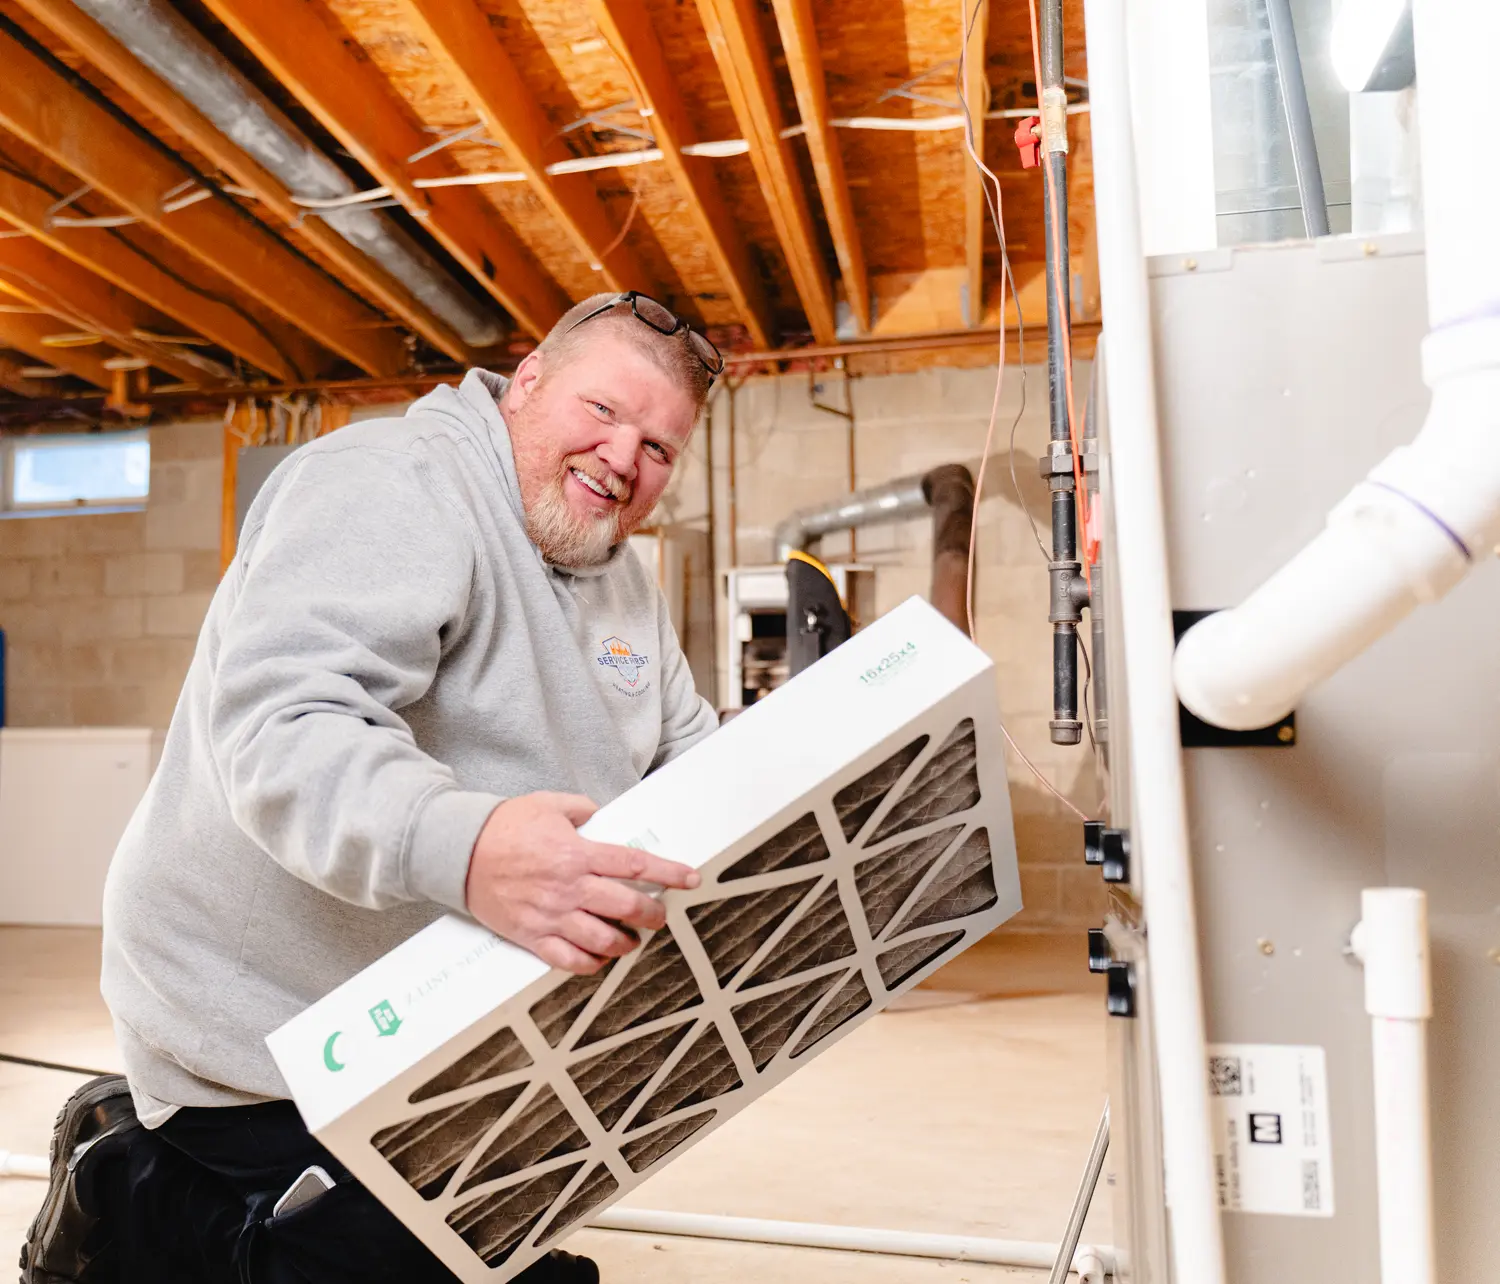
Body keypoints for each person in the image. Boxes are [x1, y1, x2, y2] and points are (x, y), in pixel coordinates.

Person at [21, 292, 726, 1284]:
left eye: (660, 447)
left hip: (436, 1027)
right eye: (604, 412)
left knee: (495, 1233)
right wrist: (470, 851)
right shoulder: (392, 483)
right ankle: (132, 1184)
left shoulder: (621, 581)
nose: (626, 458)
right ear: (526, 382)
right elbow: (285, 729)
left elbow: (690, 758)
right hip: (260, 1023)